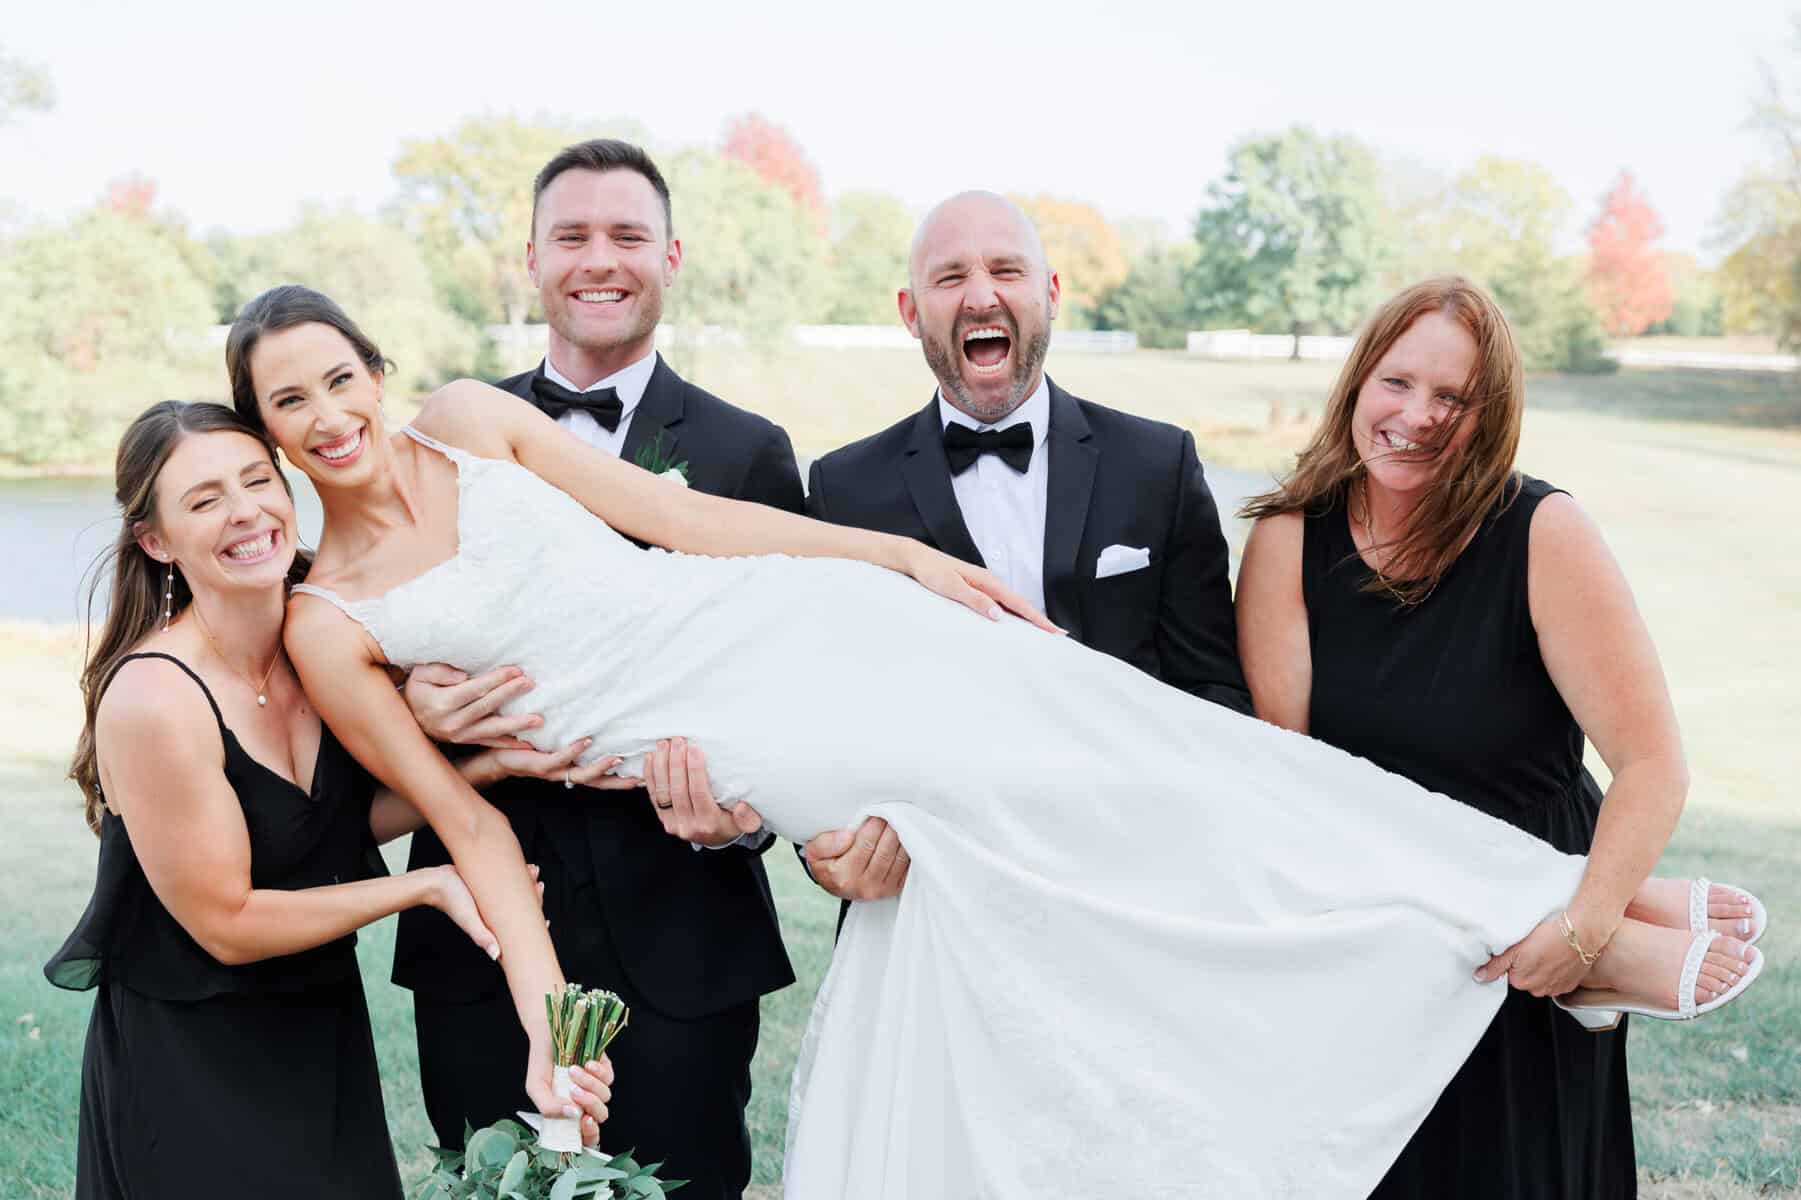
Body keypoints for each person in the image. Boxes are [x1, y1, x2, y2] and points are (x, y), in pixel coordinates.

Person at [229, 282, 1759, 1199]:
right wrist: (551, 1026)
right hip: (726, 728)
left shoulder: (472, 419)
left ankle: (1540, 908)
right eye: (286, 402)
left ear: (377, 367)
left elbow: (683, 521)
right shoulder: (326, 613)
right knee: (1029, 800)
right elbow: (464, 821)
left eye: (338, 377)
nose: (327, 415)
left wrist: (888, 560)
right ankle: (1524, 918)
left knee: (1118, 739)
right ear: (260, 425)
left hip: (779, 624)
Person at [1233, 276, 1768, 1198]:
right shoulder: (1288, 535)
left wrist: (1583, 926)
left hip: (1532, 917)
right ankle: (1641, 906)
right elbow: (1292, 776)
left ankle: (1616, 915)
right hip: (1379, 899)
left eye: (1452, 398)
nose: (1415, 416)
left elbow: (1651, 764)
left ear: (1491, 416)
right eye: (1396, 384)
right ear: (1357, 384)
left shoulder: (1540, 531)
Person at [42, 402, 612, 1200]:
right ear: (156, 540)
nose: (245, 511)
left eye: (256, 480)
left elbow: (317, 826)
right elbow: (228, 923)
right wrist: (426, 885)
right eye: (204, 500)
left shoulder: (320, 635)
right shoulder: (153, 698)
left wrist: (477, 769)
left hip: (317, 1022)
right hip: (193, 1054)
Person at [387, 137, 799, 1196]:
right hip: (482, 931)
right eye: (571, 236)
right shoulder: (445, 439)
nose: (598, 259)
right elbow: (376, 620)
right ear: (531, 259)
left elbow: (789, 687)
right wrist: (415, 704)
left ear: (672, 255)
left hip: (683, 939)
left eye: (626, 235)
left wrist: (744, 816)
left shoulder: (748, 453)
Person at [794, 190, 1251, 917]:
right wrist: (826, 850)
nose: (980, 296)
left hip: (1126, 893)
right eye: (949, 278)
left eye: (1006, 270)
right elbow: (816, 709)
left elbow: (1214, 691)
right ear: (911, 312)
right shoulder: (843, 486)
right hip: (922, 900)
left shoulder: (1156, 465)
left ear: (1050, 293)